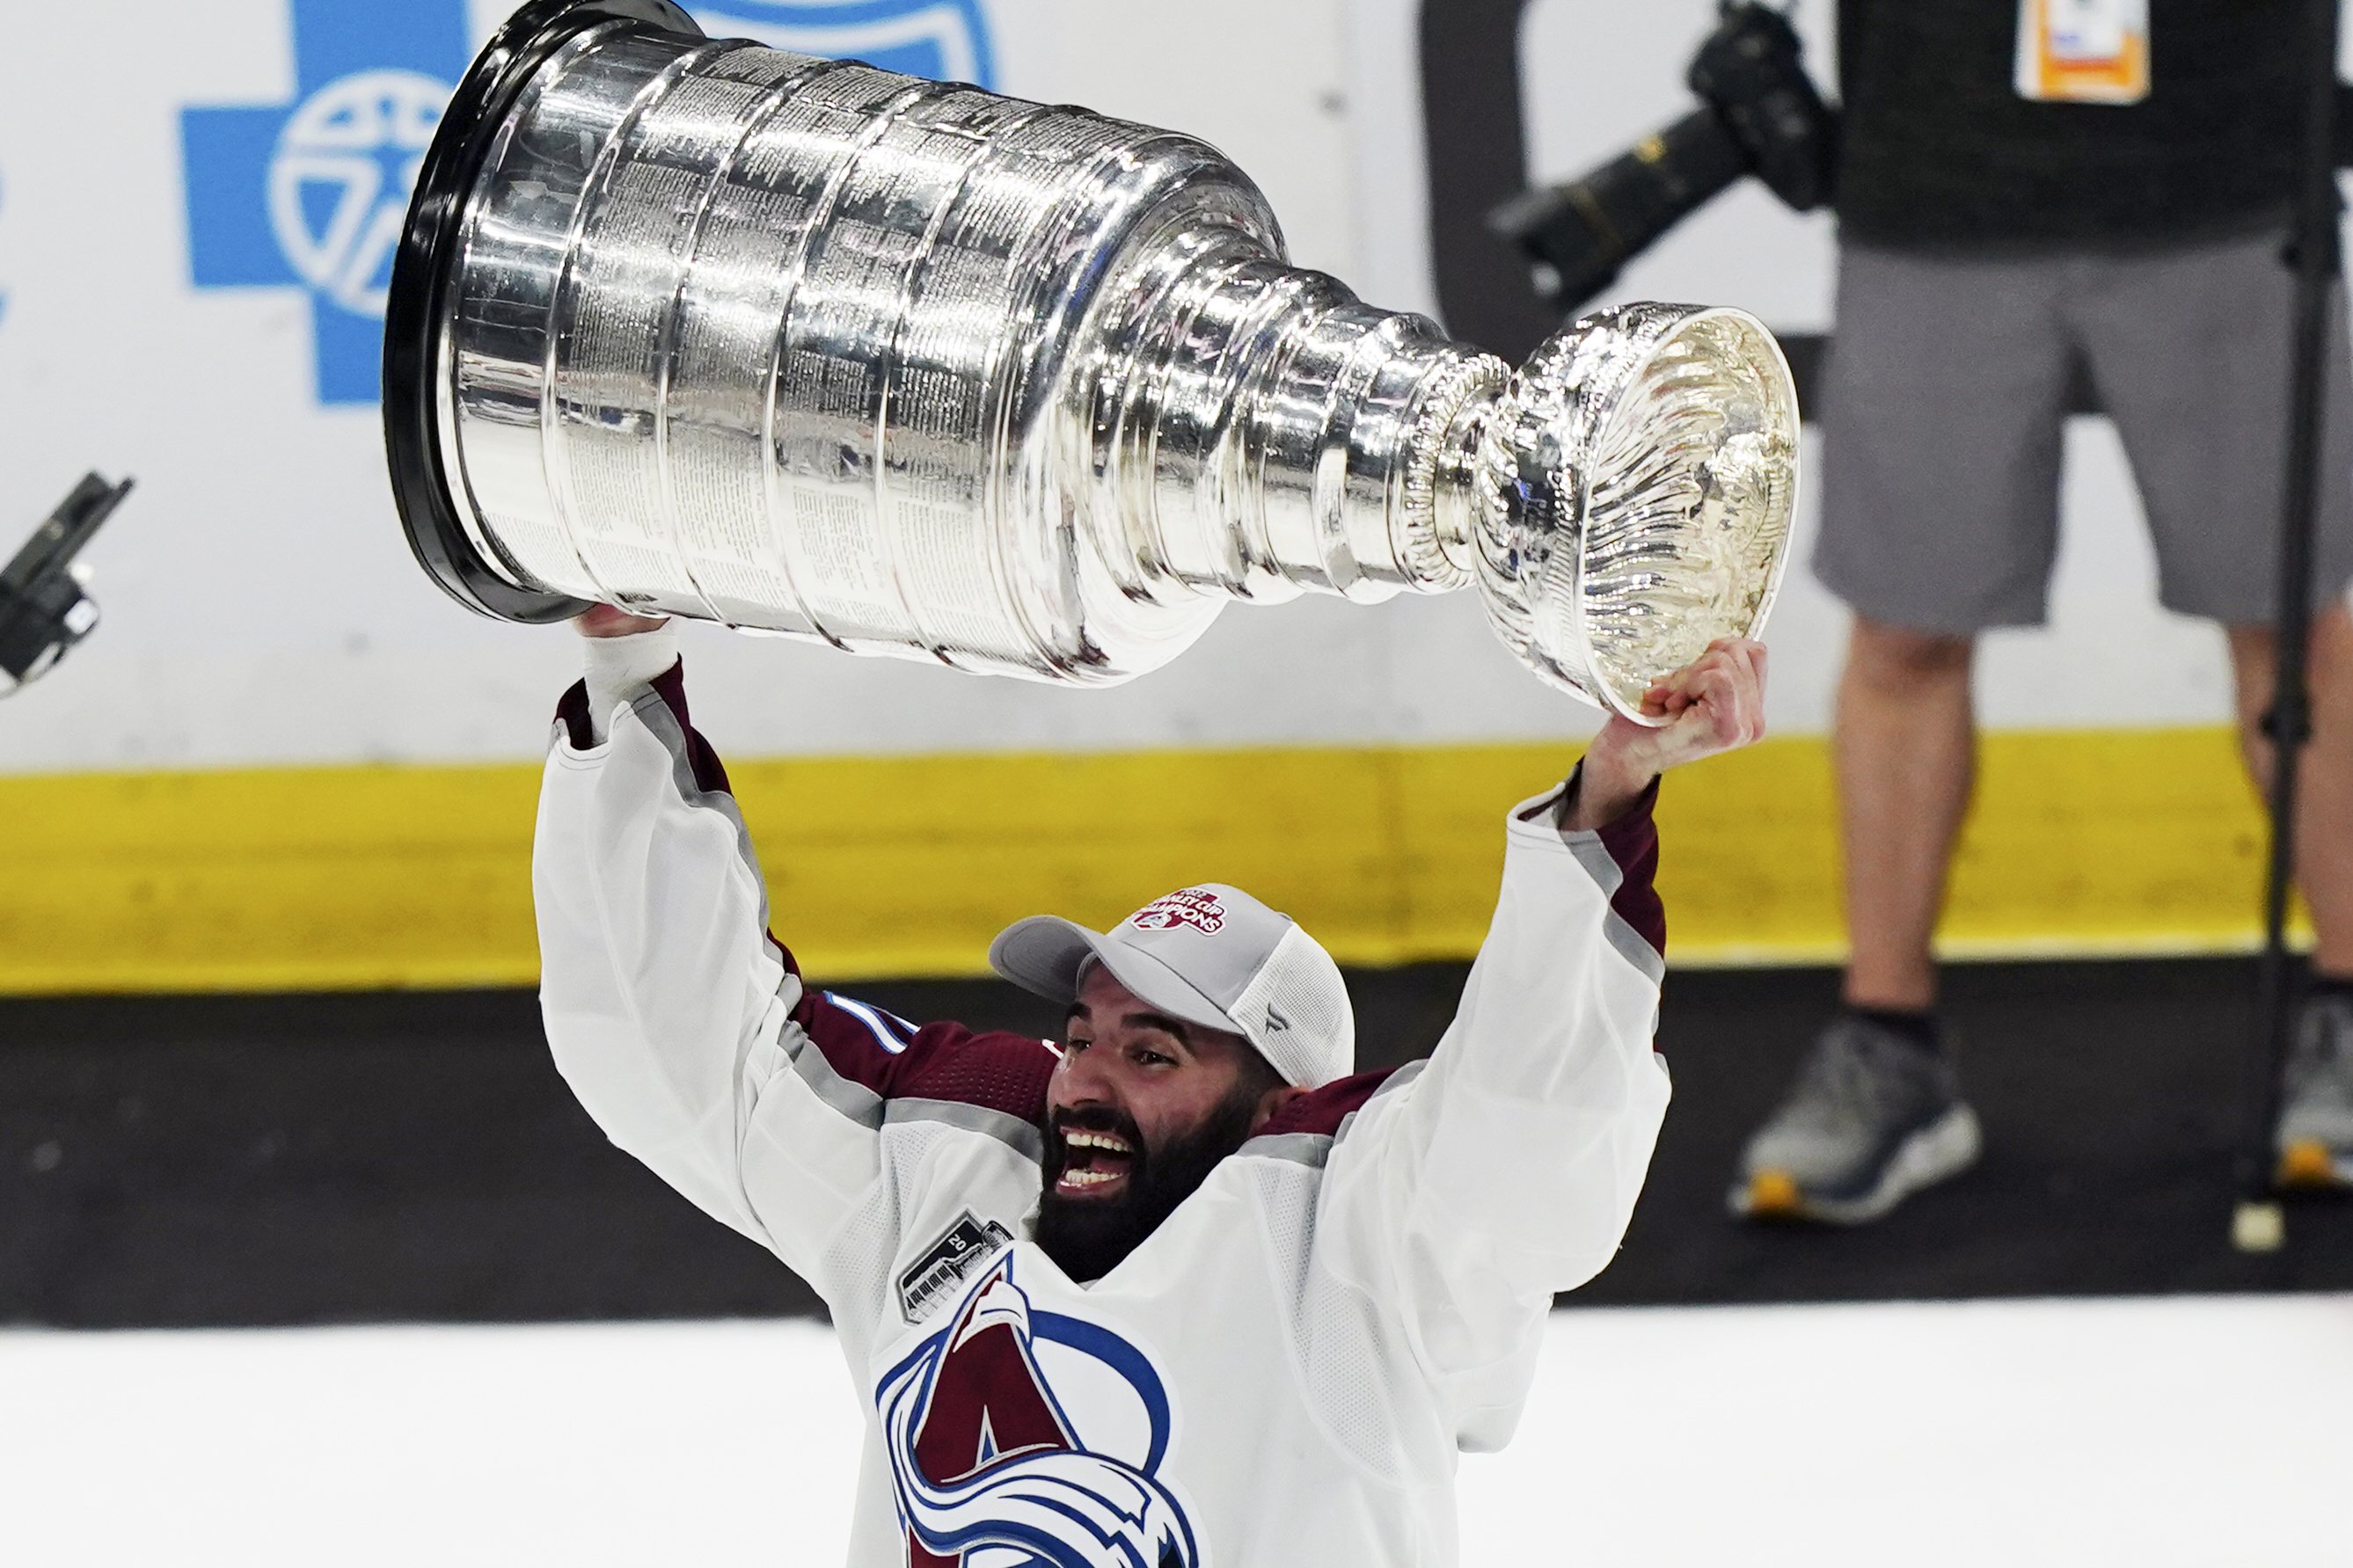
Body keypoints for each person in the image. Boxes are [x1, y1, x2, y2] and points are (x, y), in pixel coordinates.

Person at [534, 603, 1765, 1565]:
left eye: (1154, 1053)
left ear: (1281, 1106)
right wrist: (624, 663)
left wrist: (1608, 796)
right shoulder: (953, 1165)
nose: (1084, 1082)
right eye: (1084, 1033)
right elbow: (689, 1043)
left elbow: (1525, 1130)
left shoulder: (1360, 1243)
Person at [1731, 0, 2353, 1224]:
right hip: (1932, 184)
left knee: (2292, 634)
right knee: (1903, 629)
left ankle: (2348, 1007)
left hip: (2226, 178)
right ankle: (1889, 1039)